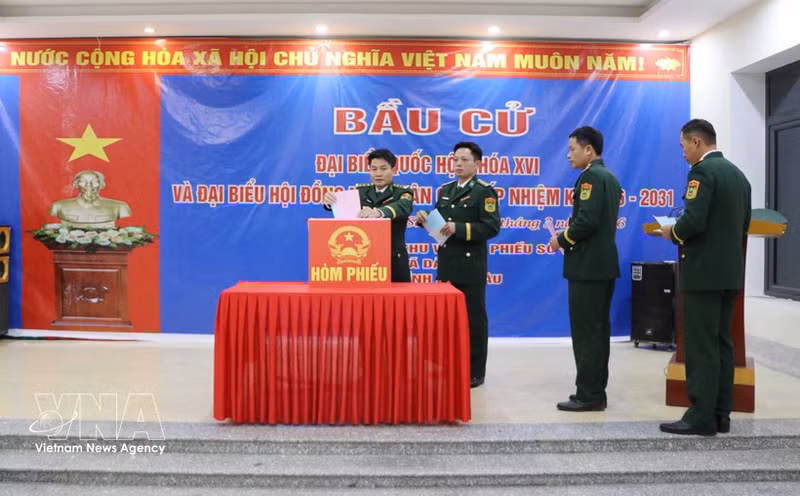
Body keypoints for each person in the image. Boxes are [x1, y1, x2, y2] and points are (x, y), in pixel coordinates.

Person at [659, 119, 752, 436]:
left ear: (697, 142)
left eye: (683, 144)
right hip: (729, 274)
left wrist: (672, 231)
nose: (683, 151)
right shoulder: (739, 176)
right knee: (722, 343)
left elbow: (693, 222)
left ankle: (700, 415)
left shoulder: (702, 172)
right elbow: (742, 227)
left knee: (700, 346)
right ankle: (720, 413)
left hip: (702, 275)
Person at [416, 142, 500, 388]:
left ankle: (475, 371)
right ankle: (450, 364)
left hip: (470, 264)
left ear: (477, 163)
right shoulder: (445, 190)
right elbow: (440, 228)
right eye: (455, 160)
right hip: (447, 263)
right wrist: (425, 221)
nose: (458, 164)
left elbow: (492, 226)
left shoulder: (484, 191)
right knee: (447, 318)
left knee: (473, 318)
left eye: (464, 159)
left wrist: (459, 228)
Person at [549, 126, 621, 412]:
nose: (568, 155)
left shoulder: (590, 177)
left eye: (572, 149)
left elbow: (587, 221)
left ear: (588, 150)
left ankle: (588, 394)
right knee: (598, 331)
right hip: (601, 266)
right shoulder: (609, 176)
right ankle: (595, 391)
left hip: (588, 267)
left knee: (587, 333)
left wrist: (561, 239)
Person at [323, 148, 414, 282]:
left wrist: (379, 212)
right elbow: (342, 207)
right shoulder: (361, 192)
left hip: (393, 260)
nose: (378, 173)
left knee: (396, 301)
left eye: (383, 168)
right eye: (374, 169)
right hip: (365, 263)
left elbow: (402, 207)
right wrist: (330, 202)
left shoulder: (403, 193)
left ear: (393, 170)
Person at [49, 170, 131, 229]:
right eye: (83, 181)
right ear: (76, 184)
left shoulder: (119, 207)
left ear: (102, 185)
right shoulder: (58, 206)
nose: (89, 185)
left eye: (95, 182)